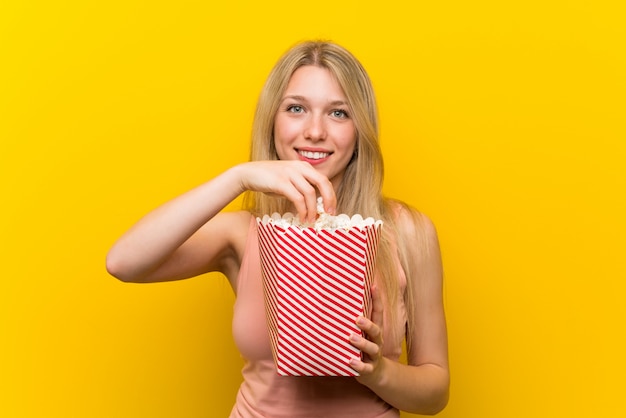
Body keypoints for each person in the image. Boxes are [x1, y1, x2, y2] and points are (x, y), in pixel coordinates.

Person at [106, 40, 449, 417]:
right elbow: (123, 262)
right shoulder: (243, 234)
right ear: (272, 120)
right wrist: (237, 178)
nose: (315, 131)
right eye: (296, 109)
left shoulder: (407, 232)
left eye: (338, 113)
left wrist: (378, 373)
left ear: (360, 129)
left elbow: (435, 393)